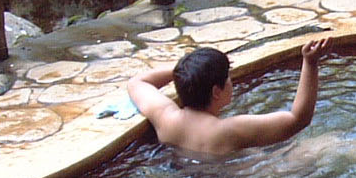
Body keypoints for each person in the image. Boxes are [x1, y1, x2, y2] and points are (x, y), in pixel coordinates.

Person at [128, 37, 329, 157]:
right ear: (217, 92)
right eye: (228, 78)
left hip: (190, 177)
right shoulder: (228, 131)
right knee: (331, 144)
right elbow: (298, 119)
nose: (231, 81)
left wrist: (187, 73)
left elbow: (137, 83)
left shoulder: (166, 118)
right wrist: (310, 63)